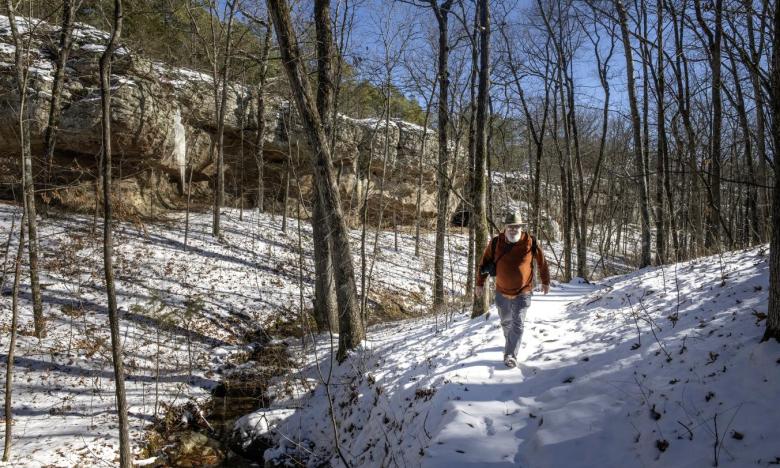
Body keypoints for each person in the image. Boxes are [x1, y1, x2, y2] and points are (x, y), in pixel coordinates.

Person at [475, 211, 551, 369]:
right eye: (510, 226)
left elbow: (542, 263)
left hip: (523, 291)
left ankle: (510, 354)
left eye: (516, 226)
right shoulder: (496, 242)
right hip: (501, 291)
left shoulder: (531, 242)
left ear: (521, 227)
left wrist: (546, 281)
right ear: (505, 227)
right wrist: (479, 283)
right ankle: (510, 341)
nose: (513, 229)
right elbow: (484, 263)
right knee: (506, 322)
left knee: (518, 323)